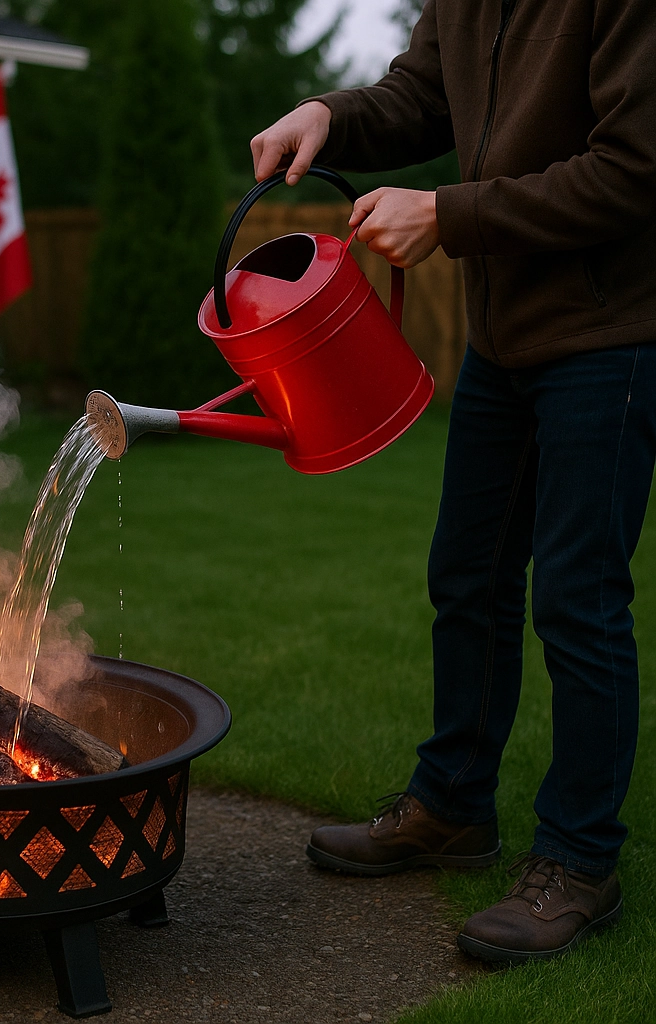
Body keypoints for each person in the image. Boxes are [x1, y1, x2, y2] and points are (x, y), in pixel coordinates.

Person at [250, 0, 656, 964]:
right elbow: (421, 96)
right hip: (504, 335)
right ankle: (453, 806)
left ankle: (579, 858)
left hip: (609, 335)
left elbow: (636, 168)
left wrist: (449, 213)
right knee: (465, 578)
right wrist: (329, 114)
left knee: (577, 598)